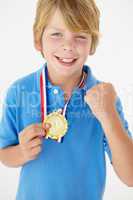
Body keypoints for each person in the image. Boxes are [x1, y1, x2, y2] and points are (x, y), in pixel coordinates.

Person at [0, 0, 133, 199]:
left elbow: (130, 176)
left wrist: (108, 116)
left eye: (80, 36)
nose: (68, 46)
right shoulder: (19, 92)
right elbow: (4, 153)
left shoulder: (105, 98)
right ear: (38, 40)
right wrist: (22, 153)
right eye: (56, 34)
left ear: (92, 44)